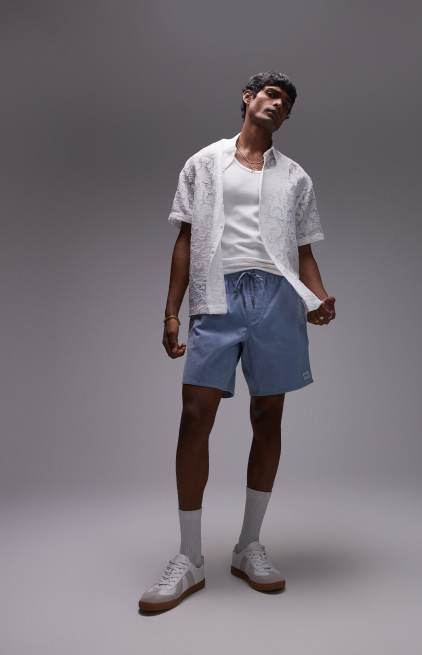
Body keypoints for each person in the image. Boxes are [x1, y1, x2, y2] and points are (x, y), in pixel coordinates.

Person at [139, 71, 336, 612]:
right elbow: (185, 239)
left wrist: (319, 296)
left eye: (286, 102)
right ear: (249, 99)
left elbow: (304, 250)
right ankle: (189, 557)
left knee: (268, 417)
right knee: (195, 415)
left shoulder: (295, 177)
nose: (278, 103)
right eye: (271, 94)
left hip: (277, 298)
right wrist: (172, 311)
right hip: (217, 293)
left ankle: (249, 545)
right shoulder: (204, 163)